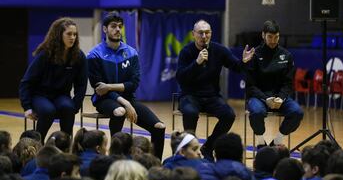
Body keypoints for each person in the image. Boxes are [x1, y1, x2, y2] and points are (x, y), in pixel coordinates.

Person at [87, 11, 165, 159]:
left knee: (159, 127)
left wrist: (110, 87)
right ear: (105, 29)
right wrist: (123, 102)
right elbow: (99, 88)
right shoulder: (94, 54)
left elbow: (133, 84)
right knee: (120, 111)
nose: (118, 29)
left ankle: (155, 165)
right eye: (113, 26)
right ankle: (115, 156)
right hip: (105, 100)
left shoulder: (131, 53)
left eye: (120, 26)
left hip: (128, 98)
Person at [176, 19, 252, 160]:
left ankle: (208, 147)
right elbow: (180, 77)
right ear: (193, 34)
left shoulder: (219, 50)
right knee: (190, 112)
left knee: (229, 115)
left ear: (211, 33)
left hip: (212, 96)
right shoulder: (186, 51)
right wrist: (196, 63)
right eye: (200, 33)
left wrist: (244, 62)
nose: (204, 36)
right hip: (190, 95)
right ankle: (190, 151)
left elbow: (236, 66)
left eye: (207, 33)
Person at [19, 17, 88, 142]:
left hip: (61, 96)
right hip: (40, 95)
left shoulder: (79, 56)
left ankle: (65, 145)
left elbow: (81, 84)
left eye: (75, 34)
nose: (72, 37)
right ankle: (36, 143)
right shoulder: (45, 54)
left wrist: (75, 105)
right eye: (69, 34)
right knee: (48, 110)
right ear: (59, 35)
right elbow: (26, 82)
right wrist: (27, 106)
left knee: (68, 108)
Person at [244, 20, 303, 149]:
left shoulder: (286, 55)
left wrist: (281, 98)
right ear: (263, 35)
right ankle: (261, 142)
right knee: (257, 112)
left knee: (297, 112)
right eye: (270, 37)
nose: (273, 40)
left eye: (276, 37)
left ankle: (277, 141)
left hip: (279, 98)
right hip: (259, 97)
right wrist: (265, 99)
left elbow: (288, 83)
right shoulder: (254, 55)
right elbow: (250, 86)